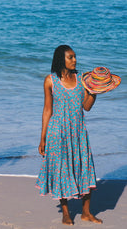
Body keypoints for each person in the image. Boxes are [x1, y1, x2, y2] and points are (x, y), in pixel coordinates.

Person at [36, 45, 103, 225]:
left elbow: (86, 106)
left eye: (75, 57)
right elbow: (47, 109)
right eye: (70, 57)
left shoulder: (82, 79)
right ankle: (65, 213)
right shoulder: (50, 81)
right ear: (61, 59)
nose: (74, 60)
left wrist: (94, 92)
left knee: (85, 168)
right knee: (61, 171)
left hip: (78, 131)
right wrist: (42, 138)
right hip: (57, 131)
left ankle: (86, 212)